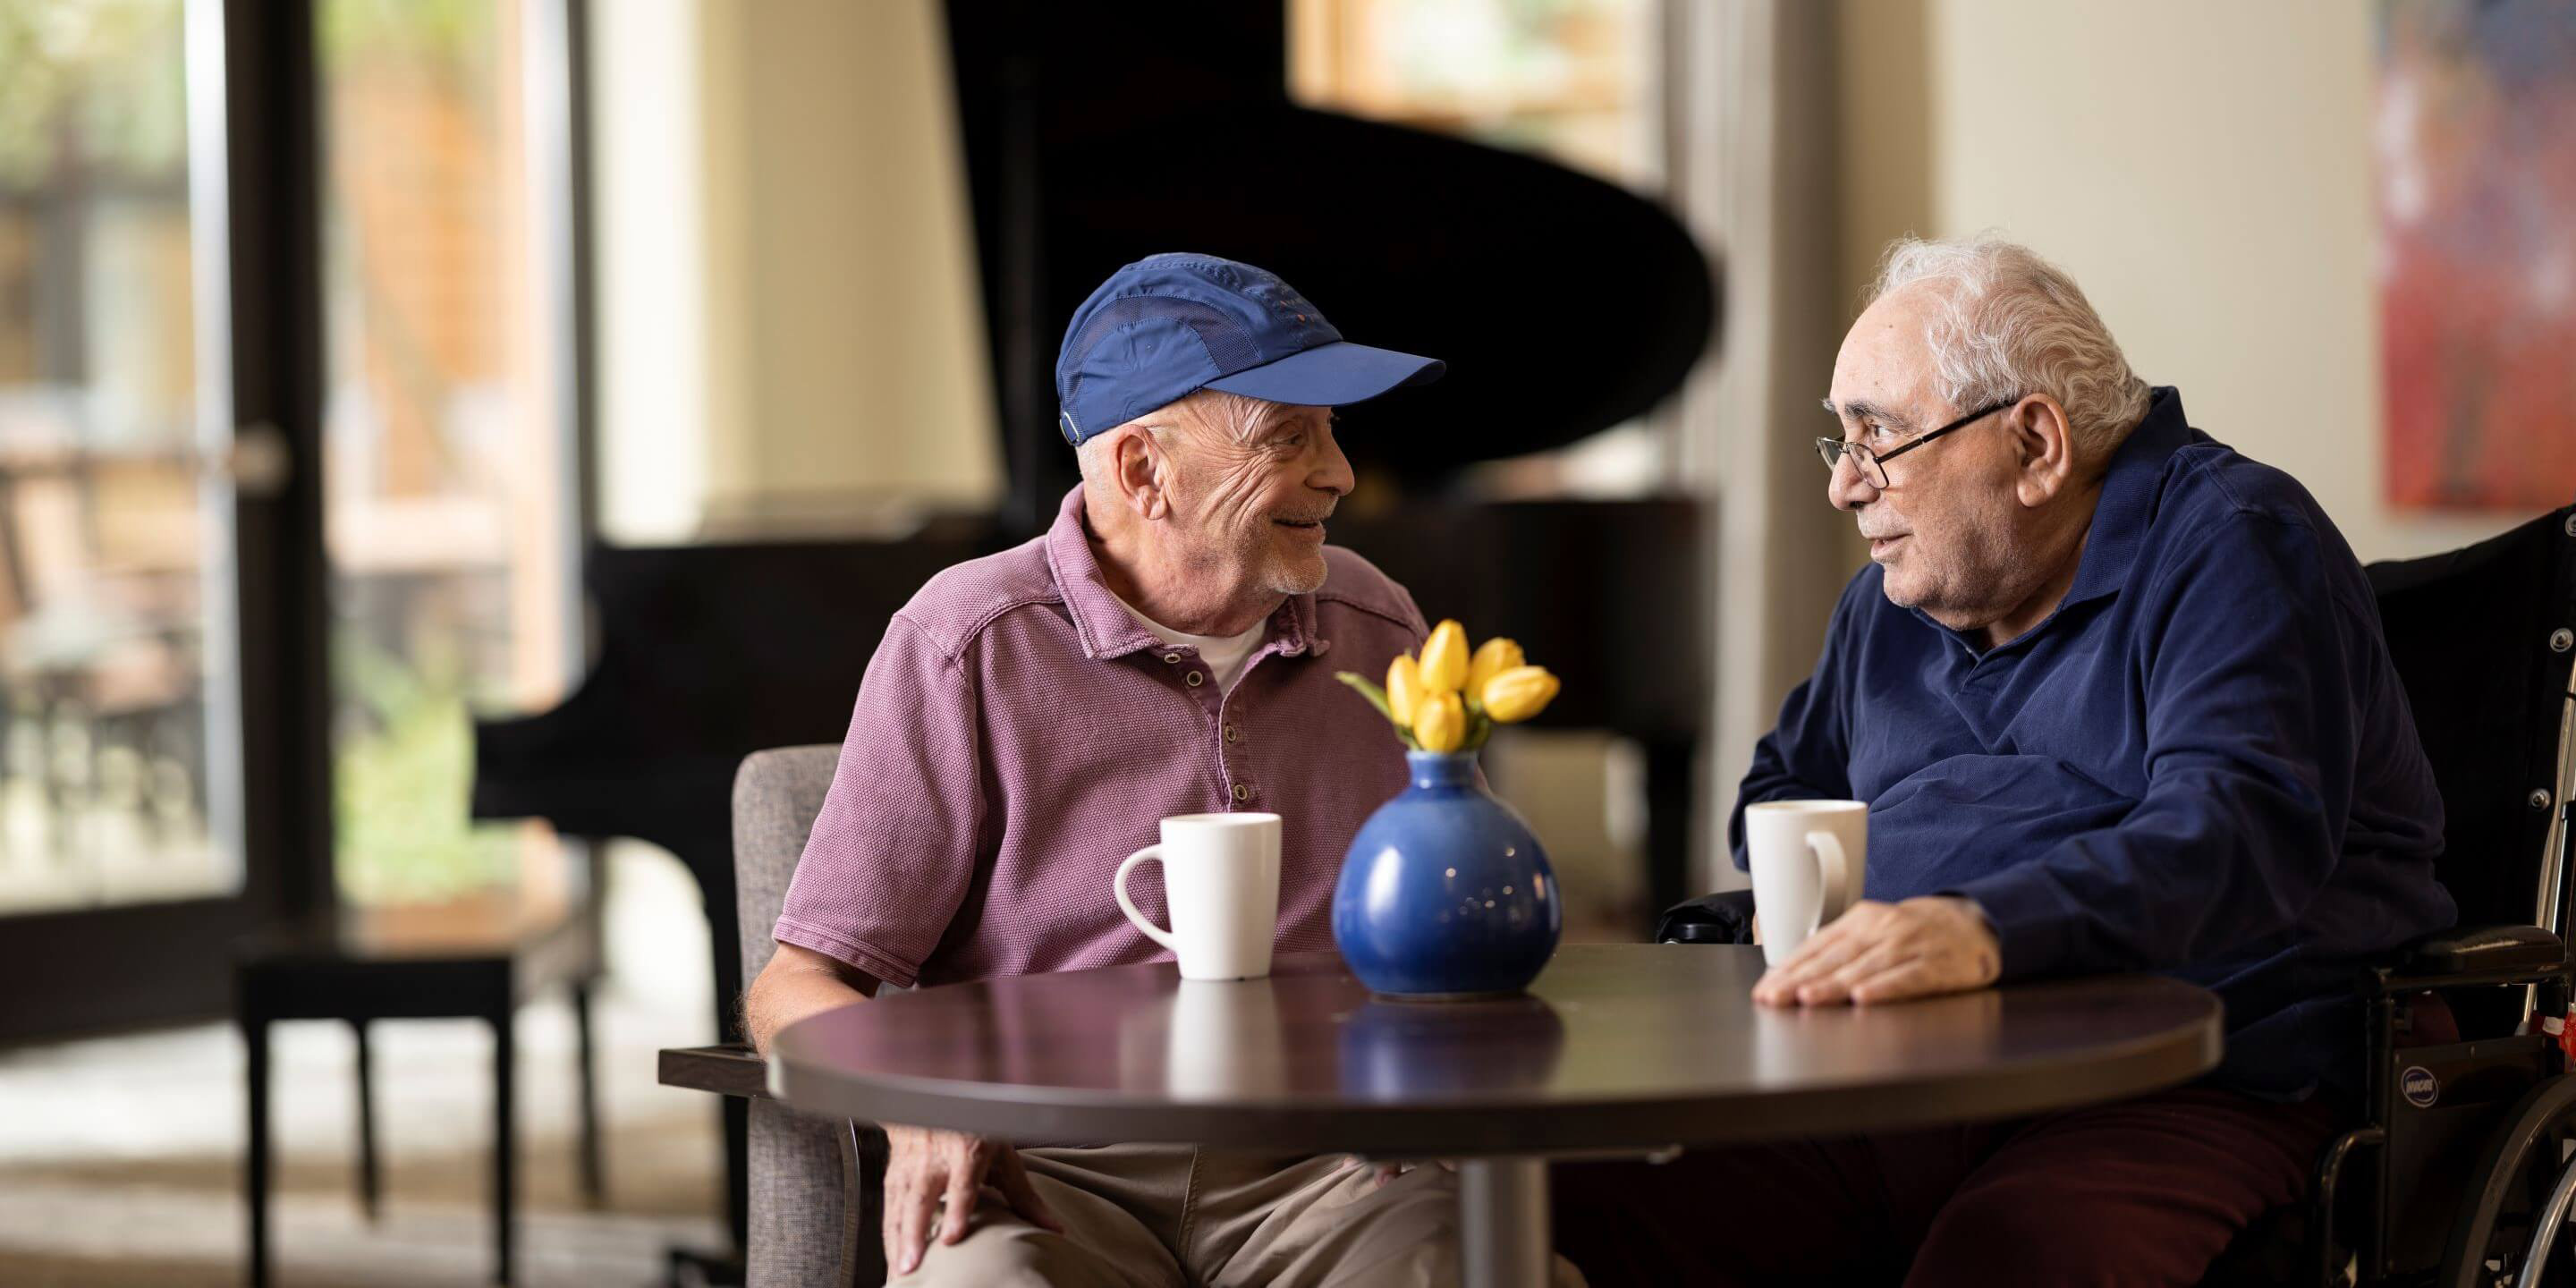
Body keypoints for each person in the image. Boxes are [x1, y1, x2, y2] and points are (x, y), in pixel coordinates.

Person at [1553, 234, 2455, 1286]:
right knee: (1589, 1202)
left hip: (2213, 1075)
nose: (1846, 487)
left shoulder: (2238, 543)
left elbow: (2234, 836)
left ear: (2034, 444)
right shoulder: (1893, 601)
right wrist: (1820, 901)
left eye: (1877, 436)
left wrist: (1974, 915)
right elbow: (1783, 793)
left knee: (2012, 1257)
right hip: (1923, 1074)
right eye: (1836, 443)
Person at [742, 251, 1583, 1286]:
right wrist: (917, 1105)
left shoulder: (1379, 621)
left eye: (1332, 434)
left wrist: (1447, 1071)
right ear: (1144, 471)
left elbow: (1464, 932)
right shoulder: (967, 642)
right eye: (1290, 436)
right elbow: (799, 984)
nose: (1341, 474)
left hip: (1332, 1163)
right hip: (1049, 1168)